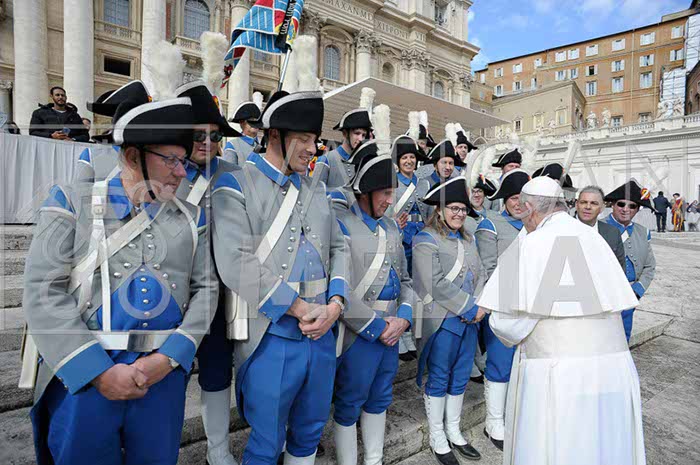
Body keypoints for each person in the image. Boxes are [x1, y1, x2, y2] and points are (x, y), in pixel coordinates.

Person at [21, 86, 219, 465]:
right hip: (84, 376)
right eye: (171, 160)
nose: (182, 172)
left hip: (161, 378)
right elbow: (43, 292)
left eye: (183, 161)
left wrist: (169, 358)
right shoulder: (69, 201)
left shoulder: (192, 218)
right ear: (132, 156)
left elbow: (206, 291)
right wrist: (96, 372)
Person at [210, 87, 348, 465]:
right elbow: (235, 262)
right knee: (267, 440)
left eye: (315, 140)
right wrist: (301, 308)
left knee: (309, 432)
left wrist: (336, 304)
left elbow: (339, 248)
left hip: (322, 331)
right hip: (270, 335)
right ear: (274, 135)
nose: (312, 149)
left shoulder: (317, 188)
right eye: (303, 139)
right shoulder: (235, 183)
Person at [477, 176, 645, 465]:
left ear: (530, 209)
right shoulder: (594, 237)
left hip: (560, 376)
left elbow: (508, 324)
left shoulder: (531, 244)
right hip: (613, 371)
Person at [331, 126, 416, 465]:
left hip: (393, 328)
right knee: (349, 402)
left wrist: (404, 317)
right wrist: (377, 327)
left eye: (392, 192)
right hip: (359, 332)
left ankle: (374, 459)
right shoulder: (341, 224)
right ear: (365, 191)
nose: (390, 200)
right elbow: (338, 288)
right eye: (384, 192)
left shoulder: (392, 227)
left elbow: (405, 279)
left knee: (380, 398)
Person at [175, 80, 241, 465]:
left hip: (220, 295)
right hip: (173, 296)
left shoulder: (234, 173)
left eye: (214, 136)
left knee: (217, 373)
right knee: (171, 374)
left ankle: (218, 450)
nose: (206, 142)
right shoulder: (165, 171)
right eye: (198, 134)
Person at [413, 177, 484, 465]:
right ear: (440, 209)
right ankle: (437, 435)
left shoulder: (469, 239)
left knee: (460, 375)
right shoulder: (425, 239)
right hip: (442, 320)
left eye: (463, 209)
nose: (459, 213)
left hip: (470, 319)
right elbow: (435, 283)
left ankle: (453, 430)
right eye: (454, 208)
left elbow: (480, 274)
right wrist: (470, 307)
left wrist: (479, 305)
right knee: (440, 376)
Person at [474, 168, 530, 450]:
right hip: (501, 305)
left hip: (532, 307)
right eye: (513, 198)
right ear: (505, 199)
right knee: (499, 362)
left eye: (524, 198)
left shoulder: (536, 225)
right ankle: (494, 421)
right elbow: (487, 269)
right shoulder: (490, 224)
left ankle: (514, 414)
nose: (519, 203)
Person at [390, 134, 428, 362]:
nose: (409, 161)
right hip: (400, 238)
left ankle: (410, 329)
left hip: (420, 239)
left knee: (417, 286)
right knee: (401, 284)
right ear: (398, 161)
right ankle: (401, 333)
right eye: (405, 158)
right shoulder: (392, 182)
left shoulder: (423, 183)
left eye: (412, 157)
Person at [604, 180, 656, 342]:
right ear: (613, 205)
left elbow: (649, 266)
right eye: (621, 204)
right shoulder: (597, 228)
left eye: (632, 206)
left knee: (623, 340)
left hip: (630, 295)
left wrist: (637, 290)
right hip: (604, 297)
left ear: (637, 209)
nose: (625, 209)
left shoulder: (643, 232)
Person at [313, 105, 372, 189]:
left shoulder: (362, 163)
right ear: (345, 133)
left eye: (363, 135)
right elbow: (315, 194)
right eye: (357, 133)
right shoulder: (326, 160)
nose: (361, 139)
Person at [575, 185, 625, 270]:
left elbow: (619, 270)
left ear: (602, 208)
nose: (588, 207)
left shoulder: (613, 233)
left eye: (594, 203)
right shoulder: (563, 229)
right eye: (583, 202)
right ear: (576, 205)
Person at [416, 140, 465, 217]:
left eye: (451, 163)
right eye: (444, 162)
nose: (448, 167)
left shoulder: (456, 186)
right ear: (435, 165)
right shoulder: (423, 184)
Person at [224, 99, 260, 165]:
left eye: (257, 120)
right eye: (251, 120)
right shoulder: (232, 145)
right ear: (241, 122)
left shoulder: (265, 144)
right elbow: (229, 170)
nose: (255, 123)